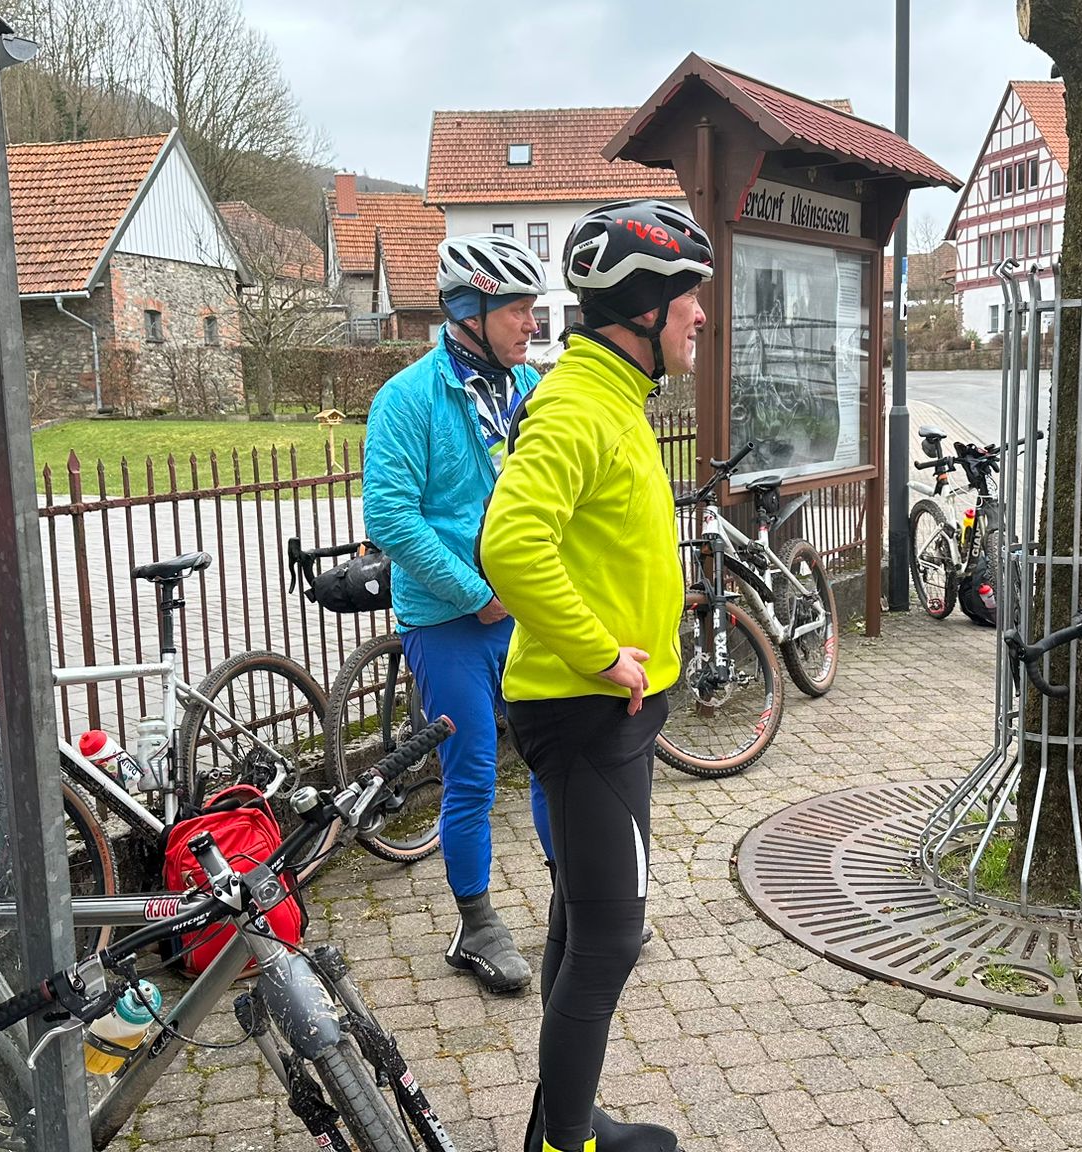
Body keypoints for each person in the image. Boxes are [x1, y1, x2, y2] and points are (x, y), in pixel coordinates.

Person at [481, 199, 712, 1152]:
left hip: (608, 713)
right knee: (612, 938)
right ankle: (562, 1144)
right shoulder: (580, 404)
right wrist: (599, 652)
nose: (701, 315)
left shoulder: (614, 395)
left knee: (581, 924)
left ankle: (560, 1121)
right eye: (690, 298)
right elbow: (510, 544)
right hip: (585, 711)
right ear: (645, 308)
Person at [363, 232, 555, 994]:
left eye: (532, 307)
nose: (531, 322)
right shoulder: (408, 398)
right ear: (468, 311)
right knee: (473, 770)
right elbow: (391, 516)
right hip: (446, 621)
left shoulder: (530, 388)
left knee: (551, 757)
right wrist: (477, 593)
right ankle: (476, 925)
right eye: (516, 308)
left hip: (525, 611)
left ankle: (574, 899)